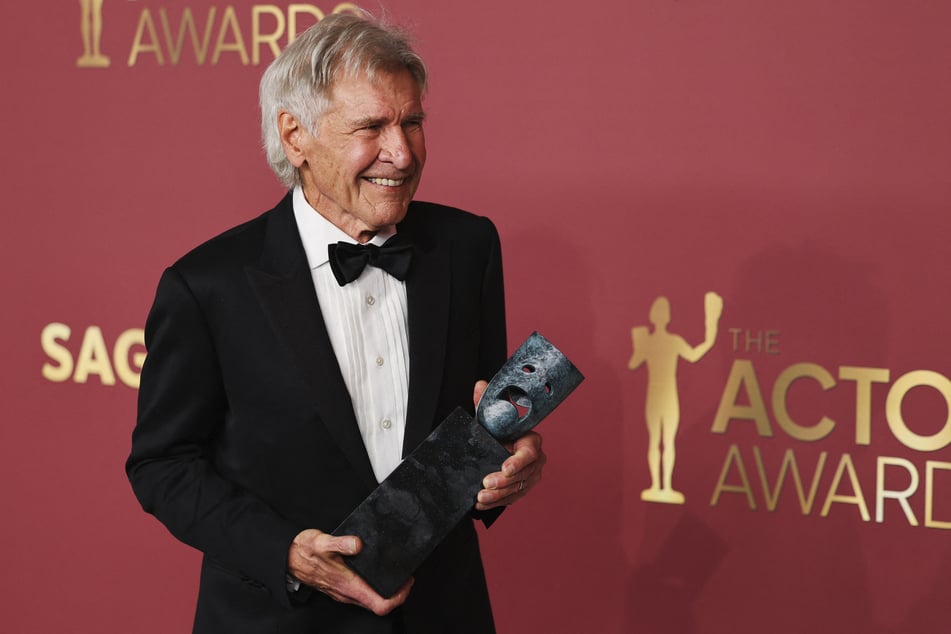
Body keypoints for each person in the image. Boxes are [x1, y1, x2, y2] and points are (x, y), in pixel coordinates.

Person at [126, 13, 545, 634]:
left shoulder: (467, 247)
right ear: (295, 136)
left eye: (412, 123)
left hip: (442, 614)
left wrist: (516, 457)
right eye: (372, 127)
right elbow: (163, 465)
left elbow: (486, 412)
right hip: (278, 618)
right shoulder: (206, 285)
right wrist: (285, 554)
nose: (401, 153)